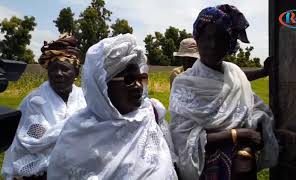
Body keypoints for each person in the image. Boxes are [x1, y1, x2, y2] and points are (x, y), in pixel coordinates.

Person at [169, 5, 278, 180]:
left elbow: (254, 109)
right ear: (198, 39)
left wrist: (255, 131)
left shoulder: (235, 74)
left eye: (220, 38)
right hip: (208, 170)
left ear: (229, 43)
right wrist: (238, 134)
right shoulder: (183, 83)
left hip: (242, 167)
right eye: (207, 37)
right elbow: (183, 137)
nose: (212, 45)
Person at [47, 34, 177, 180]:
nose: (138, 86)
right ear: (102, 86)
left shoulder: (150, 114)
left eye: (141, 78)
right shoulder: (76, 135)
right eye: (129, 79)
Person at [1, 34, 87, 180]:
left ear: (76, 72)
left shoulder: (84, 98)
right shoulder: (35, 101)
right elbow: (35, 141)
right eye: (53, 69)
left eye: (65, 69)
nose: (58, 74)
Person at [170, 38, 272, 88]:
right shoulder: (177, 74)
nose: (187, 62)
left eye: (191, 59)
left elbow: (237, 76)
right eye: (185, 58)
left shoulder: (209, 70)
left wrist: (262, 72)